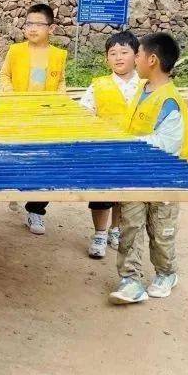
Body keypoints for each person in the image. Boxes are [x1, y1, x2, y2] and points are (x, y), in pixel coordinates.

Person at [109, 32, 188, 305]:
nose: (134, 59)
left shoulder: (169, 100)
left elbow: (167, 144)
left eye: (138, 54)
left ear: (152, 60)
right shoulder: (142, 89)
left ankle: (166, 273)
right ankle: (130, 279)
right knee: (130, 227)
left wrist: (130, 144)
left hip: (164, 178)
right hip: (136, 174)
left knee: (161, 230)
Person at [0, 3, 67, 236]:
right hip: (18, 115)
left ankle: (36, 210)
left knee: (45, 162)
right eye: (29, 23)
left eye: (38, 24)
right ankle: (14, 190)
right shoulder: (15, 51)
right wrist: (12, 97)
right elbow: (4, 76)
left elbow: (60, 82)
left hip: (46, 117)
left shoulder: (58, 55)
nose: (32, 28)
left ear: (51, 28)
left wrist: (60, 101)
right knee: (18, 158)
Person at [79, 30, 142, 258]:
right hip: (103, 150)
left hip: (134, 151)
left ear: (136, 56)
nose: (118, 57)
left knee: (123, 193)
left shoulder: (145, 86)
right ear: (106, 58)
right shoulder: (98, 85)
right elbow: (85, 113)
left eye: (124, 52)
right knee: (101, 194)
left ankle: (116, 229)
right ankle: (99, 233)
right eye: (113, 53)